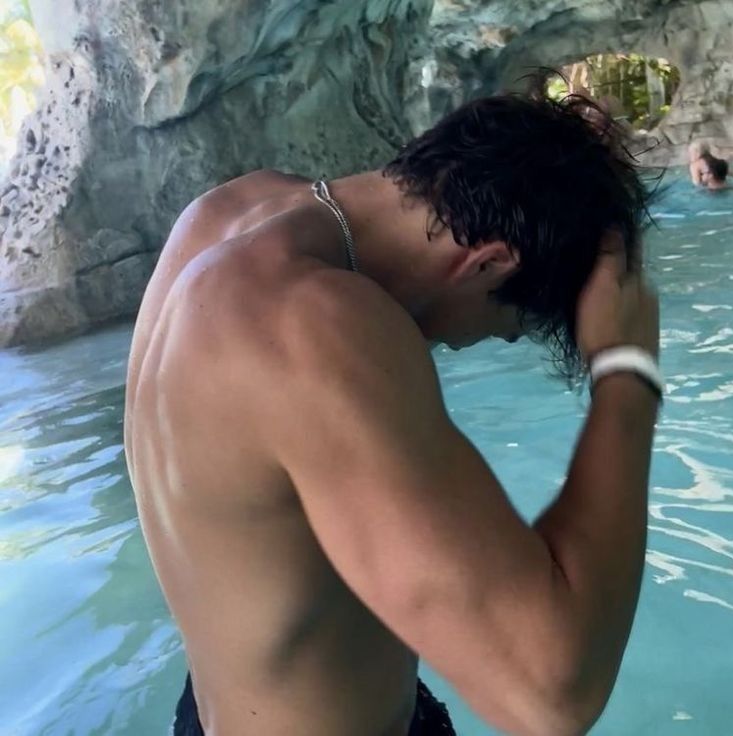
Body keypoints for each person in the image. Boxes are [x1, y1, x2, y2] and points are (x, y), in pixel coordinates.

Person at [124, 93, 661, 736]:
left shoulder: (226, 213)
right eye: (507, 327)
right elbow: (551, 694)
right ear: (489, 262)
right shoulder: (310, 323)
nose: (476, 342)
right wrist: (627, 374)